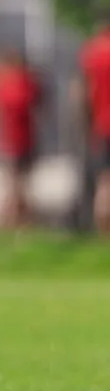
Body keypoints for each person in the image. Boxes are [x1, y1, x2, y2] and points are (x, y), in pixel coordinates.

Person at [0, 48, 45, 229]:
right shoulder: (24, 81)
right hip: (21, 139)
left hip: (9, 139)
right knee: (19, 183)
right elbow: (37, 99)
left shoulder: (0, 83)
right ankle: (16, 220)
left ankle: (13, 220)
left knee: (13, 182)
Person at [79, 21, 110, 236]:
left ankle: (103, 232)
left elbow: (83, 92)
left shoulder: (91, 51)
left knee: (104, 179)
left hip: (101, 124)